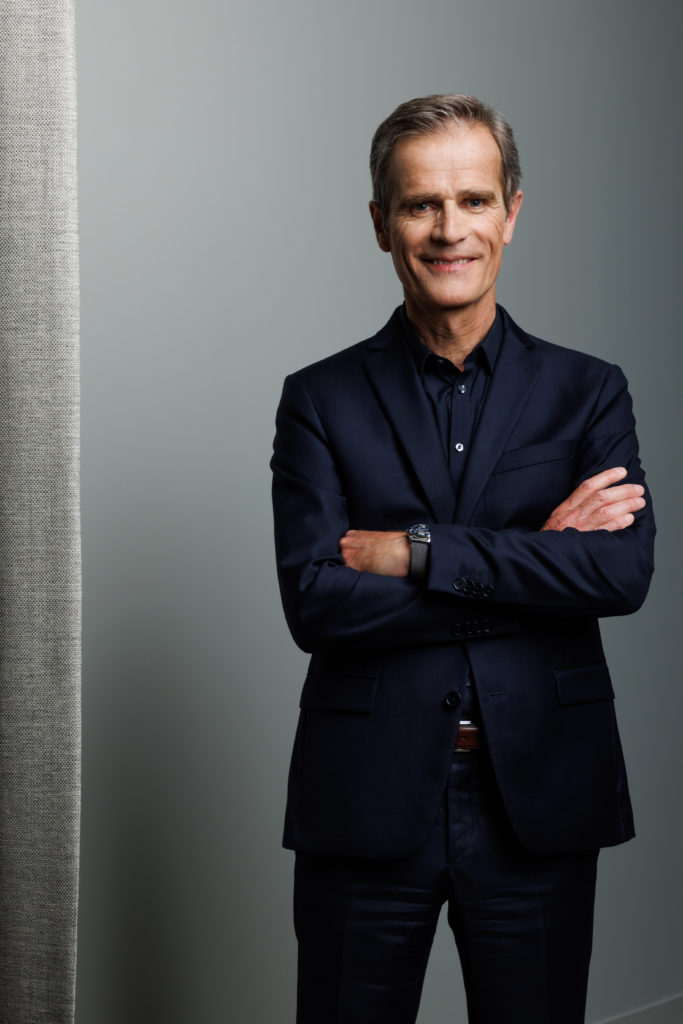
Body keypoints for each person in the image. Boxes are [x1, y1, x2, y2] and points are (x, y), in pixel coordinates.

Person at [271, 94, 654, 1024]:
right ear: (381, 224)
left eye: (474, 200)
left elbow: (618, 575)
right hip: (365, 794)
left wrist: (418, 552)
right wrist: (537, 562)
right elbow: (316, 603)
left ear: (510, 214)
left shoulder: (587, 391)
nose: (450, 230)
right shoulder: (318, 399)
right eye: (421, 205)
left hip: (539, 792)